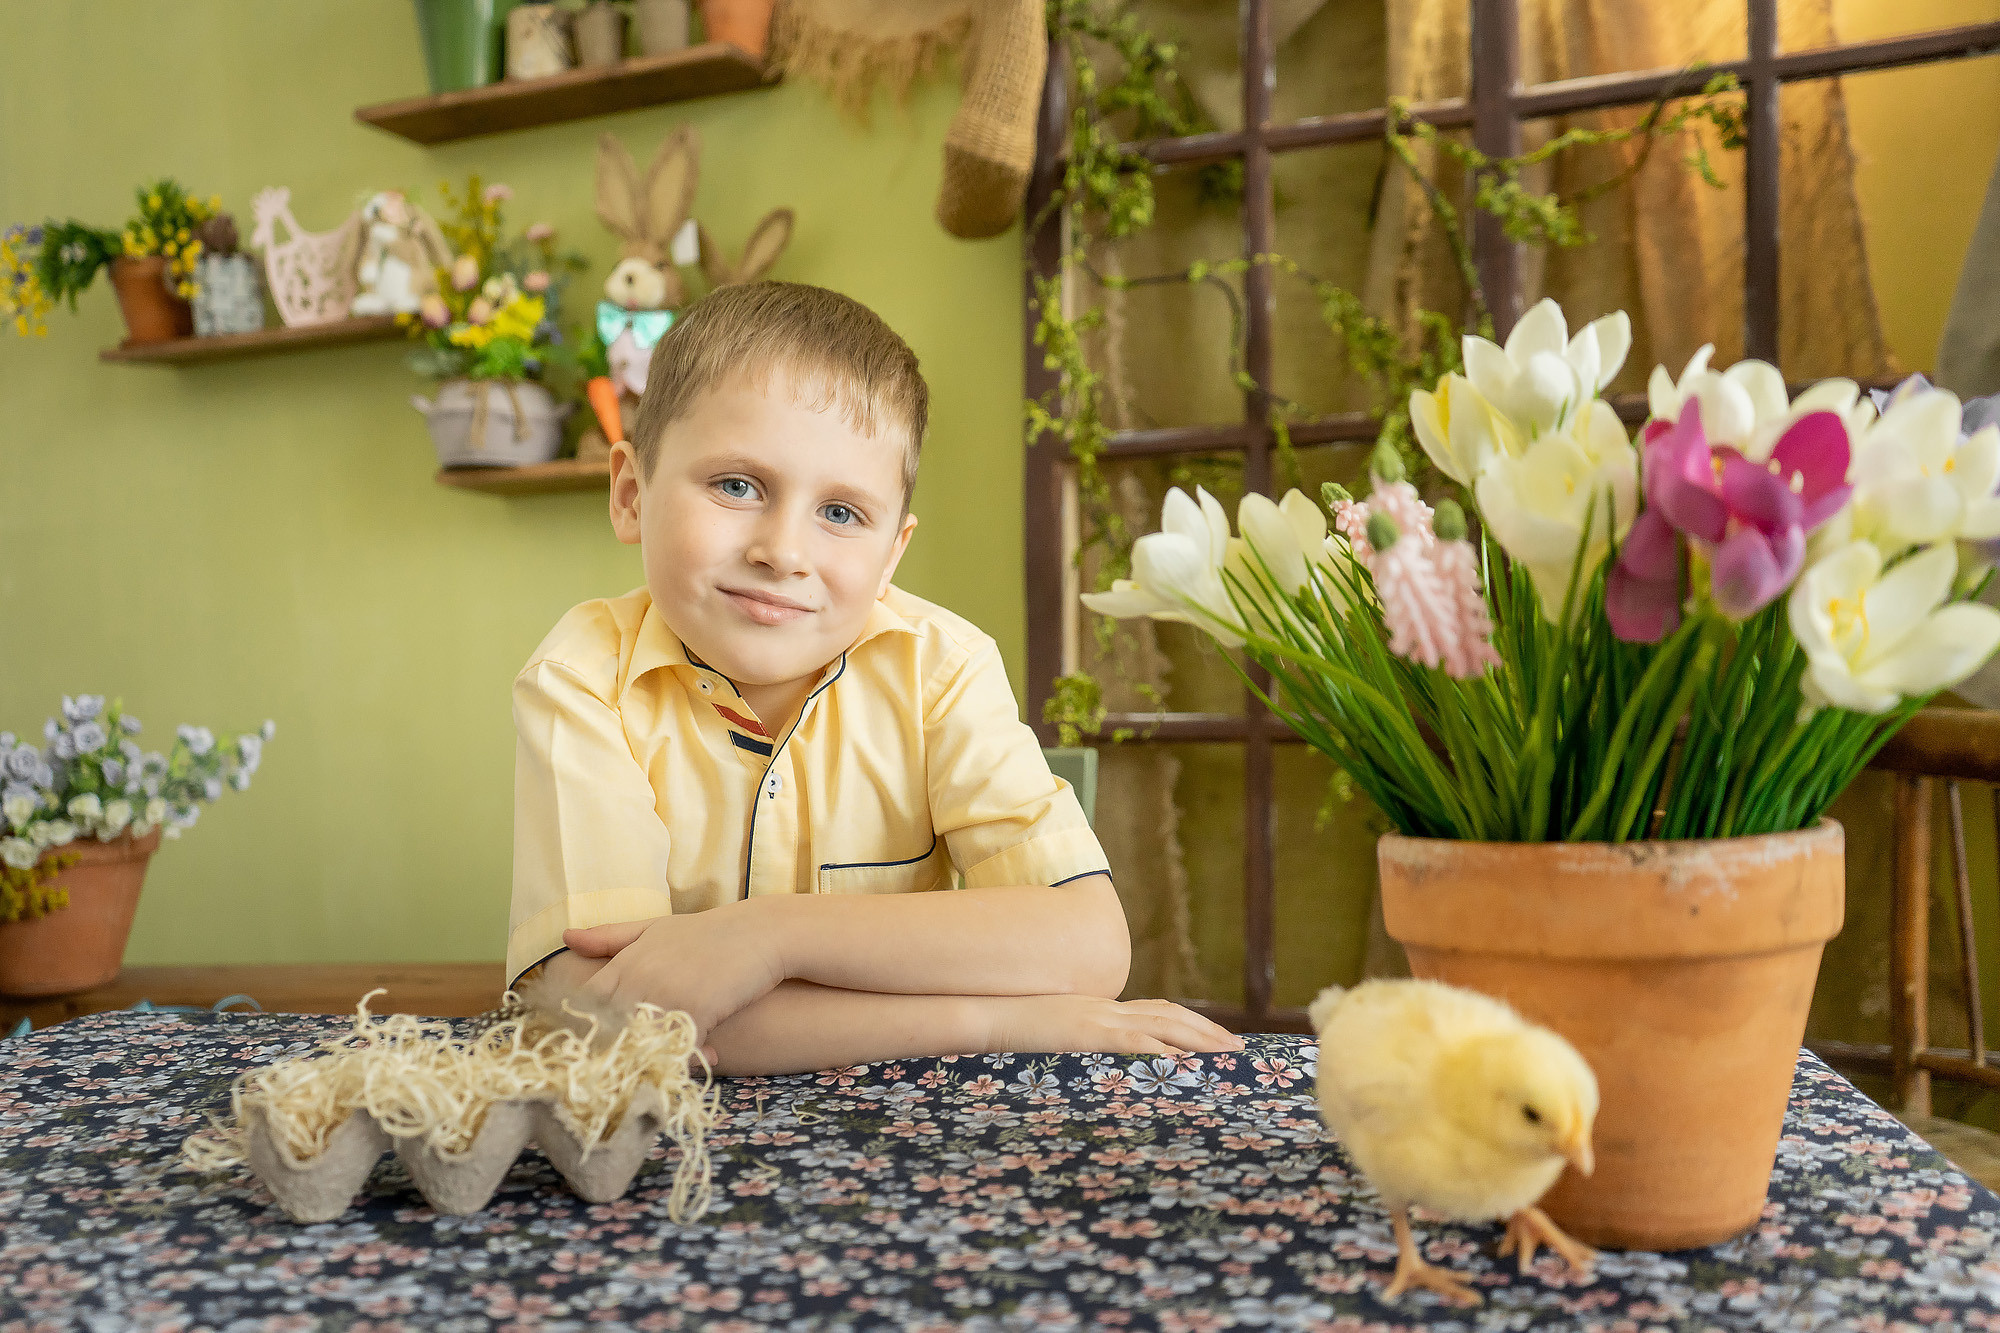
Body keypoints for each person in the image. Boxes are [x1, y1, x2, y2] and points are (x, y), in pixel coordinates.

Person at [508, 281, 1240, 1074]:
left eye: (842, 513)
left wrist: (765, 937)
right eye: (737, 486)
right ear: (630, 494)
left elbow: (1092, 946)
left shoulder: (944, 668)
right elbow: (595, 1013)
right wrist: (993, 1022)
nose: (783, 550)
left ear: (892, 553)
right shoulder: (582, 677)